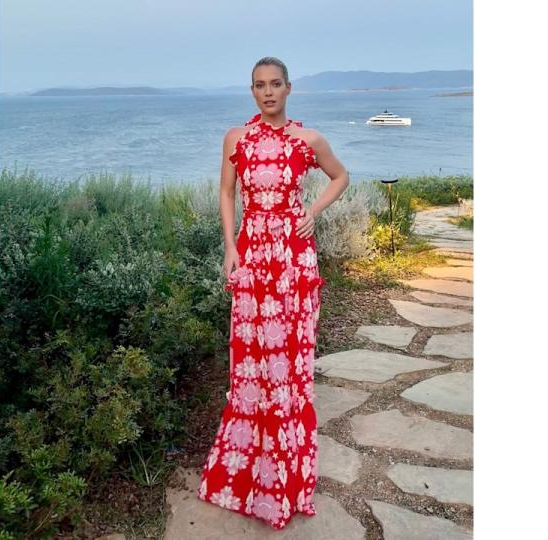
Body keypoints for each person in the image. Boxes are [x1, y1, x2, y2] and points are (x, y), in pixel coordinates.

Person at [196, 56, 350, 530]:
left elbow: (341, 177)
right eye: (259, 85)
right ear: (252, 91)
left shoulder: (309, 141)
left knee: (288, 365)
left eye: (275, 84)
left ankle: (286, 476)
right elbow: (227, 194)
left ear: (289, 88)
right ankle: (247, 475)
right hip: (252, 258)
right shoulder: (235, 139)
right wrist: (229, 247)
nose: (268, 92)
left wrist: (314, 210)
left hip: (294, 264)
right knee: (250, 363)